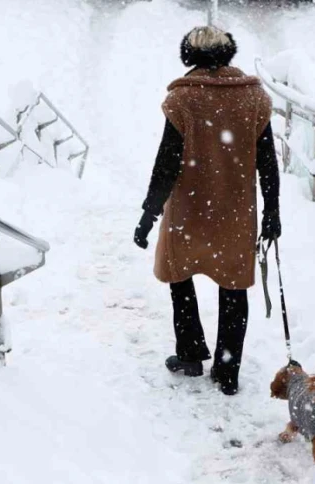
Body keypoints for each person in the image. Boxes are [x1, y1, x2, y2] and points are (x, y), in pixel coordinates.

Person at [133, 25, 281, 396]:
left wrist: (150, 213)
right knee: (234, 288)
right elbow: (268, 163)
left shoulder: (184, 100)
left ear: (190, 56)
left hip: (188, 210)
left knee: (179, 276)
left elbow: (166, 163)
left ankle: (190, 353)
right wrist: (272, 212)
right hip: (234, 211)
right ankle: (228, 370)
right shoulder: (253, 98)